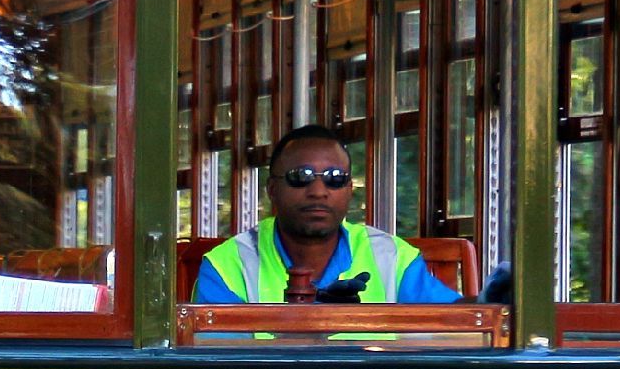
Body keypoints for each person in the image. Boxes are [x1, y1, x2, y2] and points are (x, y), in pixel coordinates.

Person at [193, 125, 464, 305]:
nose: (319, 191)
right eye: (301, 177)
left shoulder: (391, 257)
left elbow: (457, 323)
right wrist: (309, 328)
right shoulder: (229, 266)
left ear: (349, 190)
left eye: (335, 178)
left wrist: (496, 299)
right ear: (272, 189)